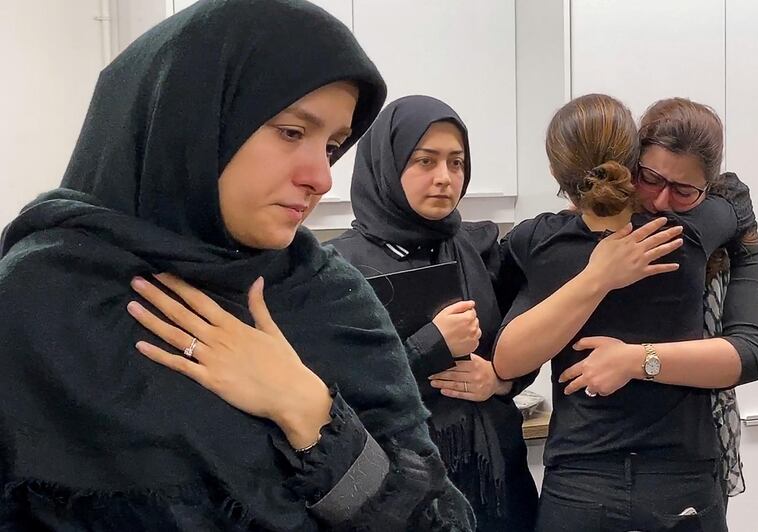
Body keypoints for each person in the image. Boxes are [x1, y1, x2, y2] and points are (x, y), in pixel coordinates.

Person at [0, 1, 475, 530]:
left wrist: (311, 412)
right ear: (194, 120)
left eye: (333, 145)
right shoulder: (38, 301)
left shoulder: (330, 299)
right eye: (292, 132)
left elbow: (440, 522)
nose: (321, 176)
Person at [493, 93, 756, 531]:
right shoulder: (686, 238)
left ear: (559, 175)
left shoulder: (538, 242)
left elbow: (506, 356)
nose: (664, 196)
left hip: (579, 482)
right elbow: (733, 207)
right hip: (679, 479)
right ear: (631, 163)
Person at [325, 95, 539, 531]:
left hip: (499, 482)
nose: (444, 178)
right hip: (404, 498)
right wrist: (432, 346)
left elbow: (524, 339)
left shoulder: (479, 249)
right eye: (425, 161)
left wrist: (502, 378)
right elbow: (332, 394)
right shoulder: (337, 268)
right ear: (388, 165)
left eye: (456, 163)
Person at [636, 98, 758, 507]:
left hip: (700, 452)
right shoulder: (603, 229)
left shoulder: (732, 239)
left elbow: (749, 352)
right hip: (609, 460)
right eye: (650, 178)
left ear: (707, 189)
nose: (660, 201)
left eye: (683, 190)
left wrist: (633, 360)